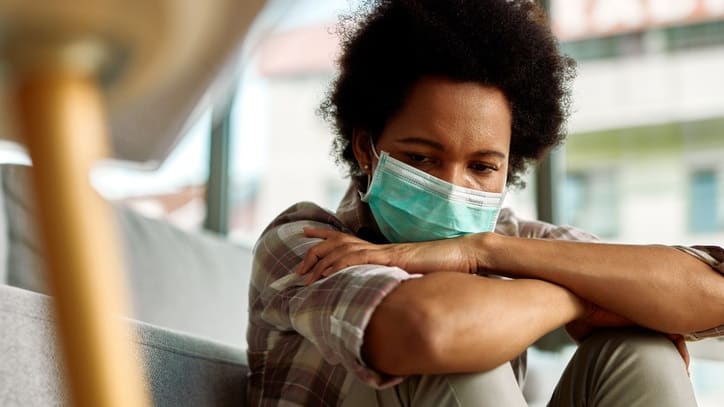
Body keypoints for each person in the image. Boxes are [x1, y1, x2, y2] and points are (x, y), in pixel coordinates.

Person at [246, 1, 724, 405]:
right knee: (453, 353)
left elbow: (712, 295)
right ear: (366, 148)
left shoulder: (511, 240)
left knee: (639, 346)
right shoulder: (305, 241)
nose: (453, 185)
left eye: (482, 167)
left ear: (508, 166)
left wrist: (487, 252)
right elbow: (429, 329)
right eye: (421, 157)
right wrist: (577, 297)